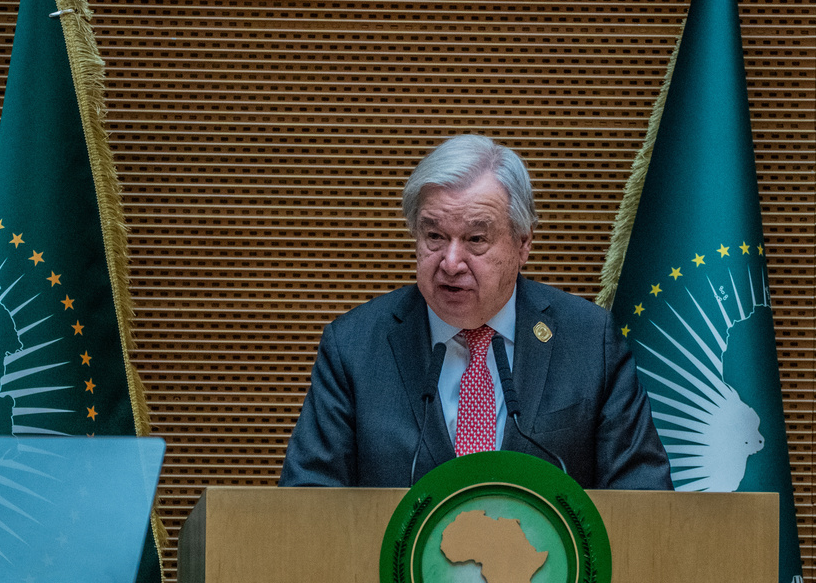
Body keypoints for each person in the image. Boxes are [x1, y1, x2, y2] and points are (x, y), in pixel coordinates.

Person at [278, 134, 672, 490]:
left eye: (476, 240)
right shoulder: (354, 347)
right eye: (434, 236)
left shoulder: (589, 341)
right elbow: (307, 502)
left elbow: (642, 500)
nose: (450, 262)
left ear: (523, 244)